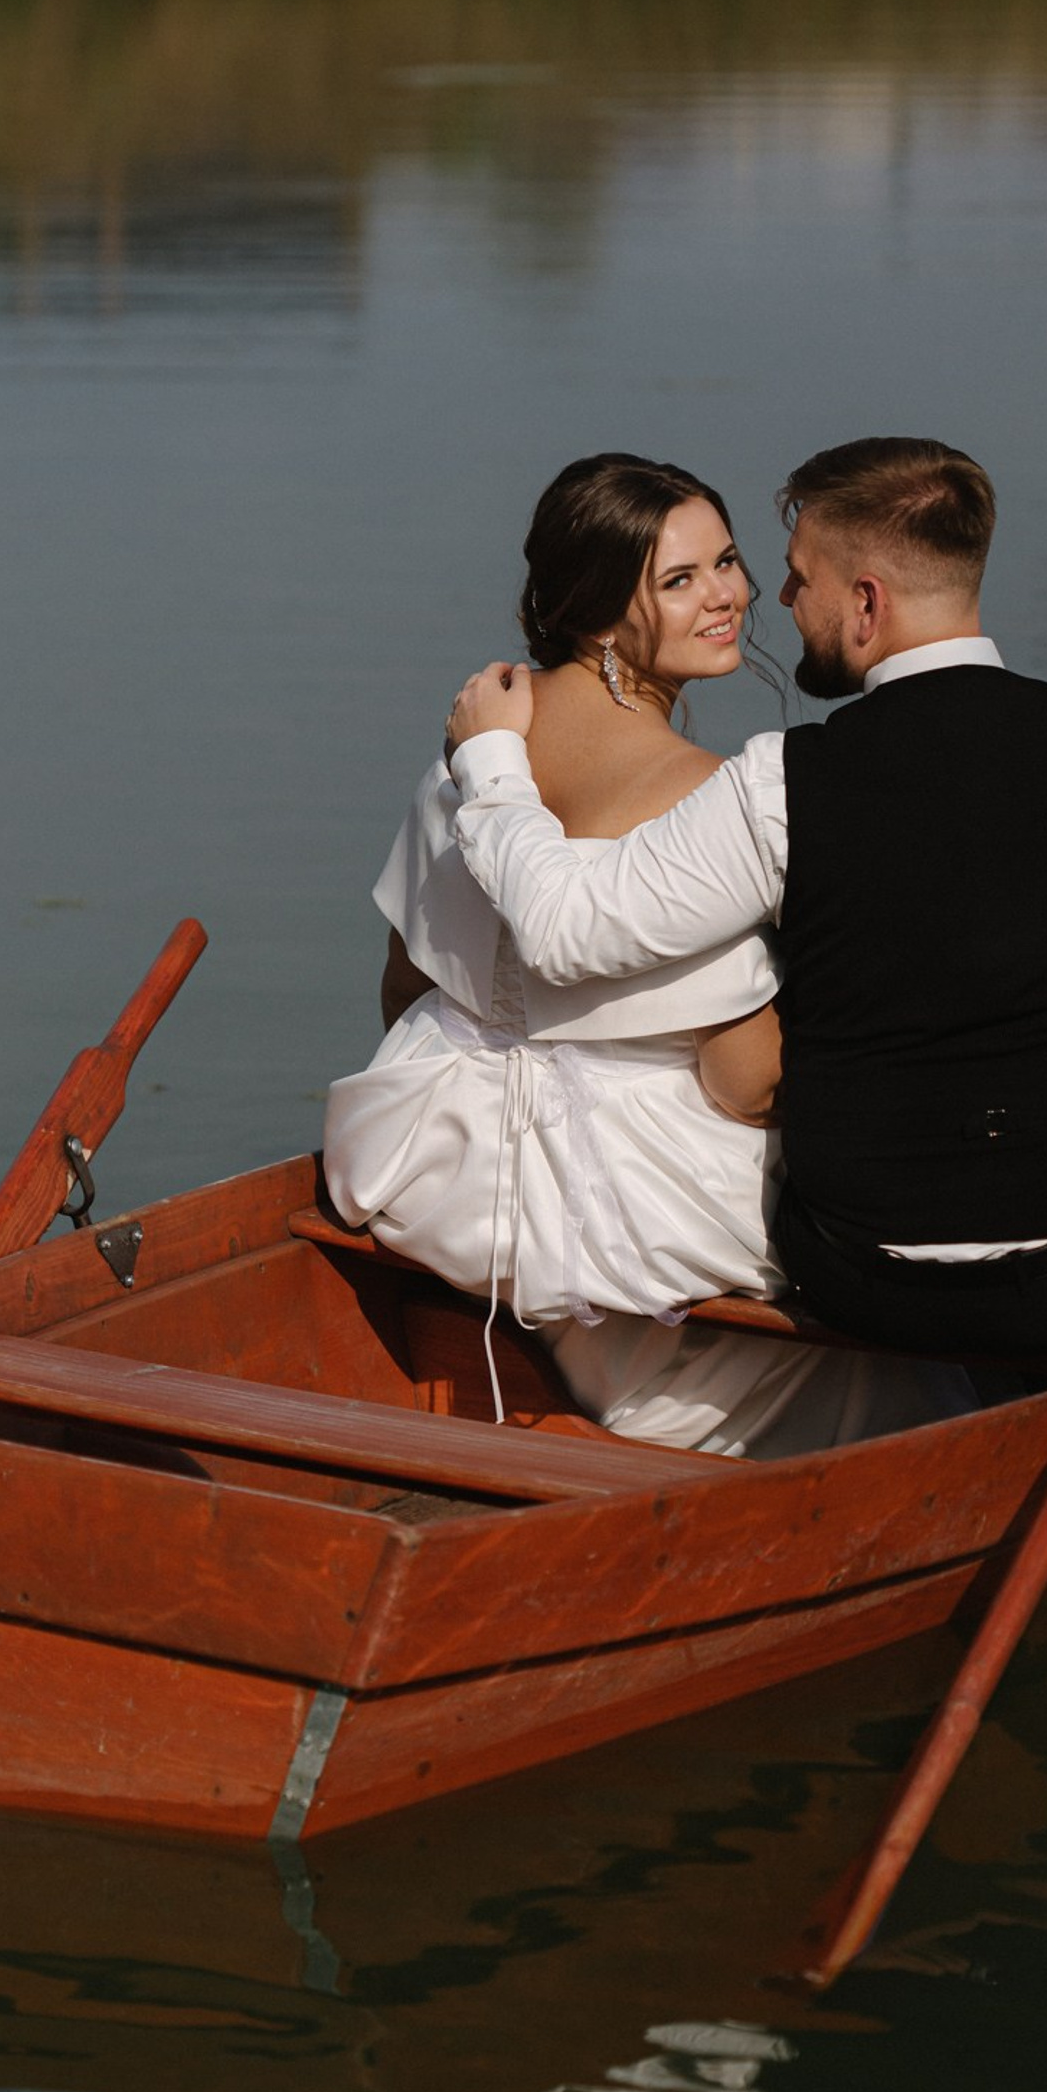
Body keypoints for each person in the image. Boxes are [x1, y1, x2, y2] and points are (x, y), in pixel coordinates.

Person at [444, 437, 1047, 1364]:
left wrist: (493, 761)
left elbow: (567, 929)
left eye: (796, 576)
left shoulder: (776, 783)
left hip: (862, 1274)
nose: (779, 599)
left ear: (866, 603)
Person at [322, 453, 974, 1454]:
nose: (729, 598)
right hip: (635, 1192)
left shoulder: (466, 749)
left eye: (728, 562)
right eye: (680, 581)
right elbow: (743, 1078)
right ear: (591, 615)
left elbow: (403, 981)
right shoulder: (710, 796)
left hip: (430, 1157)